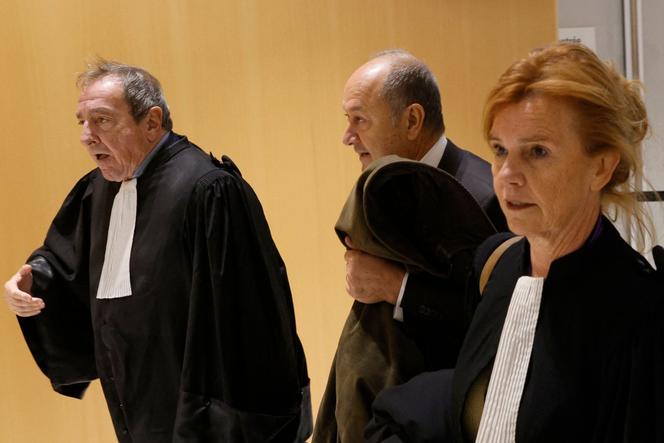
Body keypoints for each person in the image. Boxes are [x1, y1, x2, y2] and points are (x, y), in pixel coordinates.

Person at [366, 42, 664, 442]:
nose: (507, 174)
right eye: (500, 150)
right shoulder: (499, 266)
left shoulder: (640, 313)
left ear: (601, 166)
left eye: (537, 151)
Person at [3, 60, 311, 443]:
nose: (86, 136)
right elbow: (66, 261)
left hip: (202, 410)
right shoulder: (98, 189)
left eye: (101, 120)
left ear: (152, 121)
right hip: (134, 395)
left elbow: (247, 323)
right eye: (82, 122)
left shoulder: (209, 190)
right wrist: (34, 277)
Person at [314, 50, 506, 442]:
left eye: (359, 120)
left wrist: (398, 288)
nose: (347, 136)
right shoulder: (390, 188)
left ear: (412, 120)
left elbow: (497, 322)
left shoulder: (483, 197)